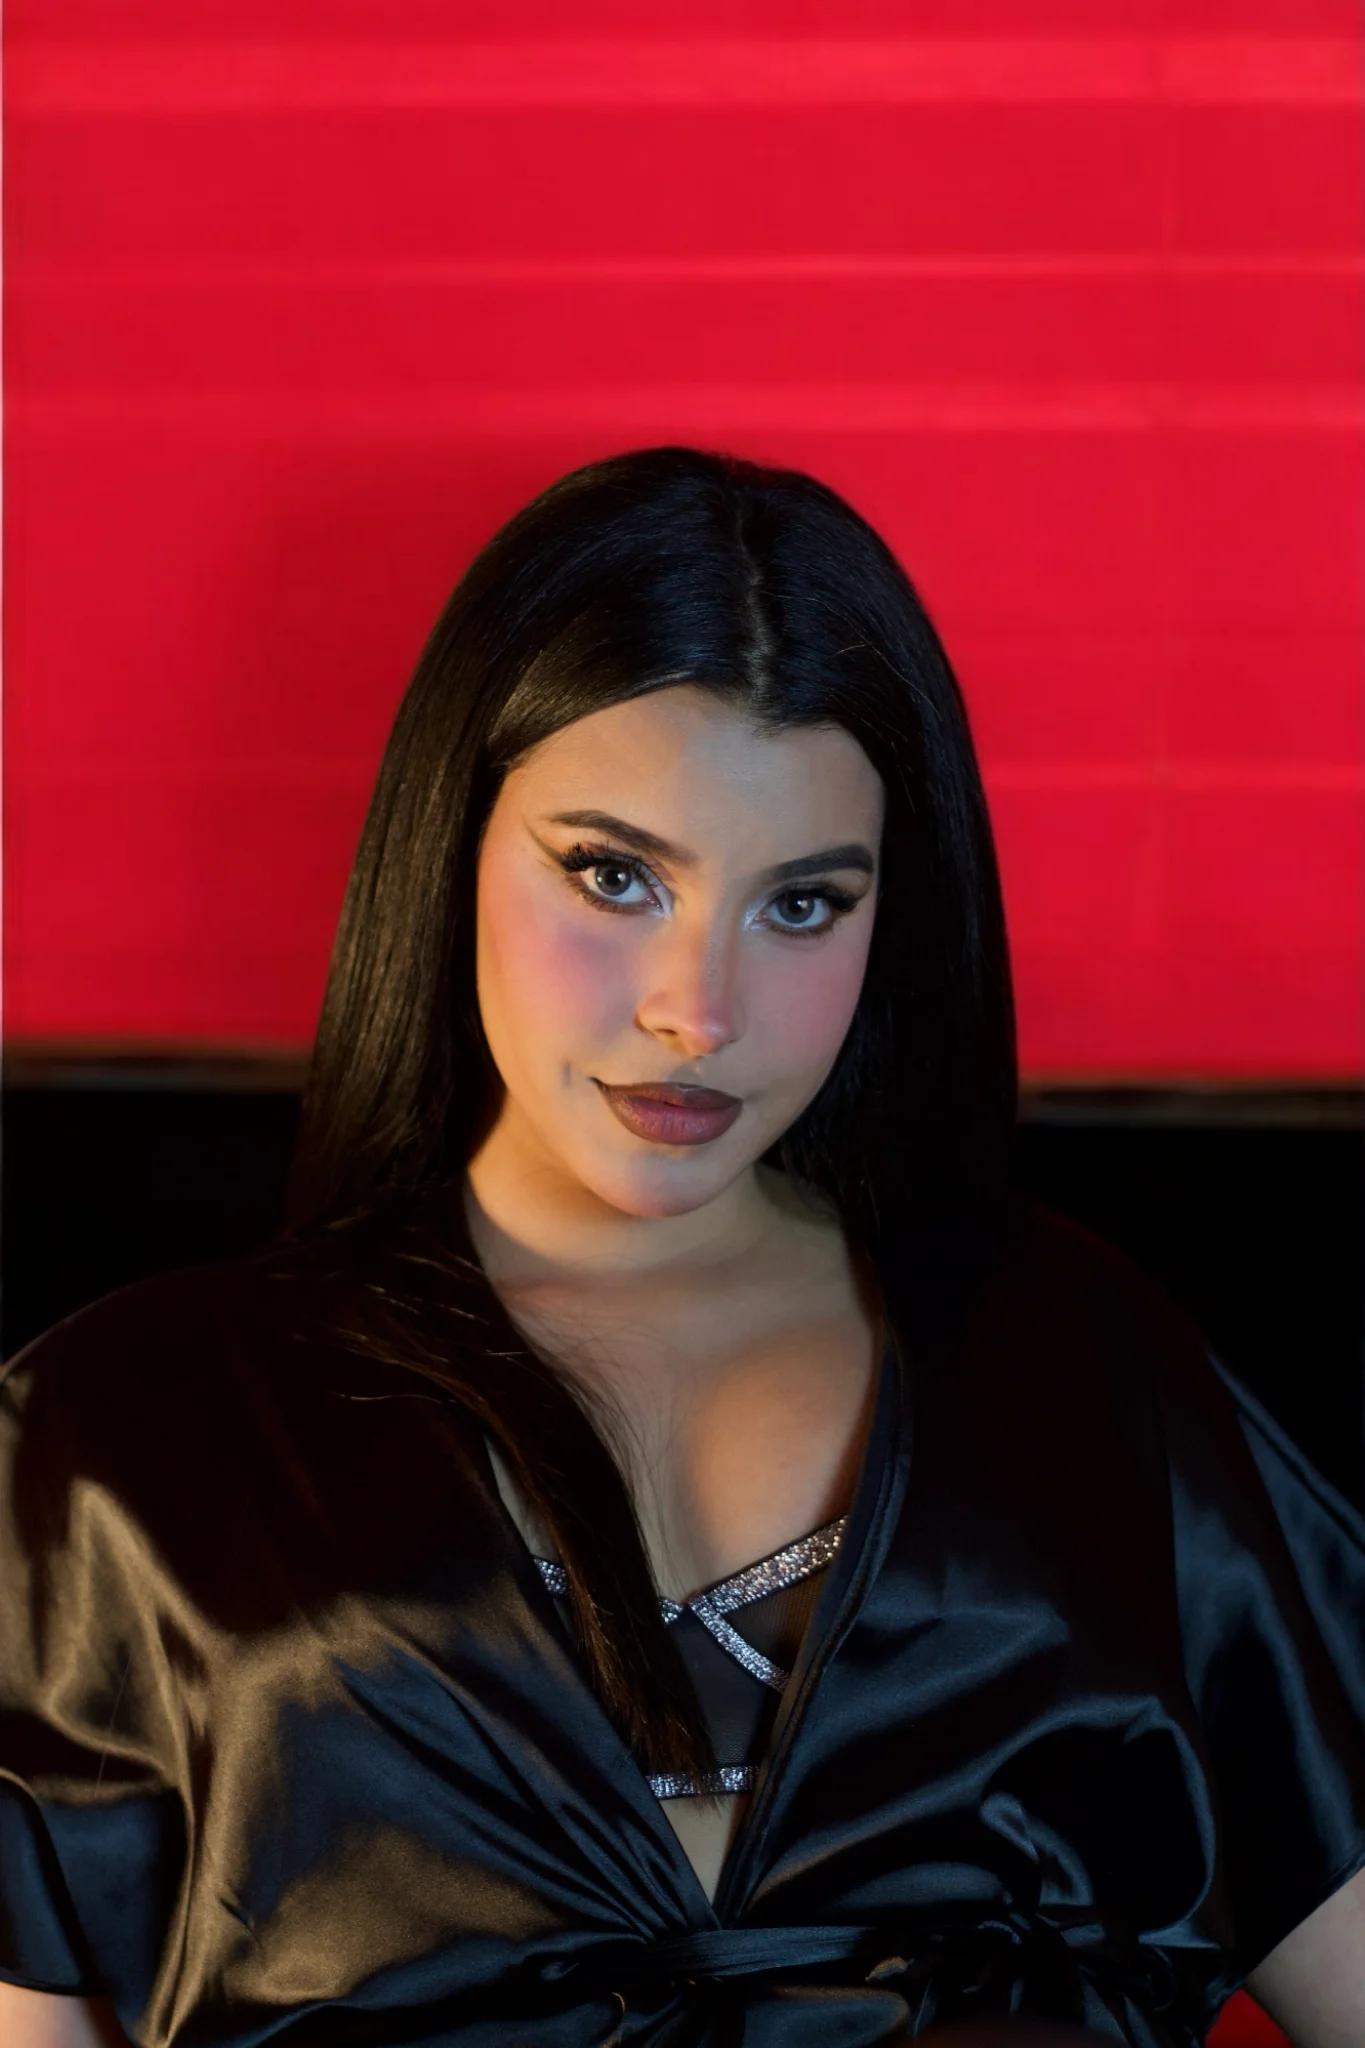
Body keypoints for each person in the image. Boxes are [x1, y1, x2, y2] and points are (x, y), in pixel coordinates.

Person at [1, 449, 1362, 2048]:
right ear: (454, 842)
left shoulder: (1087, 1376)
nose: (696, 1013)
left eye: (802, 905)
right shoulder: (124, 1433)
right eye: (615, 876)